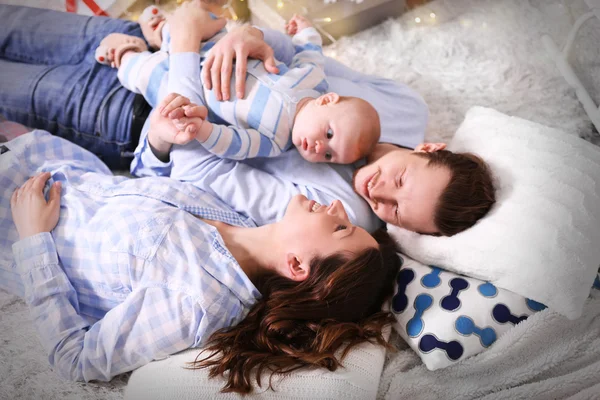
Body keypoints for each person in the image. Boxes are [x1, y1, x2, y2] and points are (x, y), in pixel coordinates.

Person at [0, 4, 495, 235]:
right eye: (402, 181)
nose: (379, 193)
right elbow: (301, 66)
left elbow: (202, 169)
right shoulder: (407, 109)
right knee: (14, 25)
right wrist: (244, 36)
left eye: (395, 211)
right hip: (162, 45)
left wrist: (186, 46)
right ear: (429, 148)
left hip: (134, 115)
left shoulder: (339, 213)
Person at [1, 128, 402, 389]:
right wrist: (159, 142)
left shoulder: (195, 301)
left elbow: (75, 358)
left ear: (297, 266)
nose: (336, 206)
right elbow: (139, 187)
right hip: (34, 150)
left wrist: (33, 238)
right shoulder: (243, 221)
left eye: (340, 228)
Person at [101, 10, 380, 164]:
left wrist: (206, 130)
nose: (320, 147)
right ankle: (161, 31)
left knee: (142, 73)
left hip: (192, 86)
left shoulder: (275, 141)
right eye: (329, 133)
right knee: (199, 21)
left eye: (329, 156)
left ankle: (125, 53)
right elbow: (310, 54)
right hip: (216, 49)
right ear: (327, 100)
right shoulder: (313, 81)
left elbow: (236, 144)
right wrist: (305, 31)